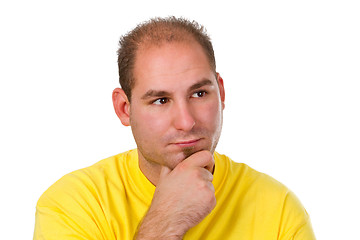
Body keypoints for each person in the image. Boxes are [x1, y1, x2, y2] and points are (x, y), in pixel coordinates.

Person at [34, 17, 316, 239]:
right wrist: (164, 224)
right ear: (124, 109)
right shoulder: (72, 205)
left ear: (221, 92)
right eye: (160, 100)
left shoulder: (279, 208)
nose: (186, 122)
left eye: (199, 94)